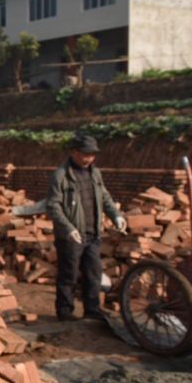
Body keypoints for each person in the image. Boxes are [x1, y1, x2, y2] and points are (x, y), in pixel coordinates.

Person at [46, 132, 126, 320]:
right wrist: (68, 229)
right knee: (69, 275)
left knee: (94, 273)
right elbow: (53, 206)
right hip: (71, 236)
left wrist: (116, 215)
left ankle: (92, 309)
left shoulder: (95, 173)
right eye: (84, 154)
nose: (88, 158)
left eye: (92, 155)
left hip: (93, 234)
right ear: (73, 152)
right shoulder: (60, 176)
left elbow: (105, 197)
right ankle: (65, 311)